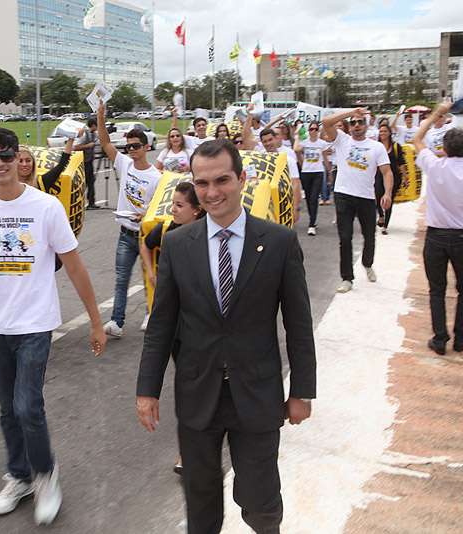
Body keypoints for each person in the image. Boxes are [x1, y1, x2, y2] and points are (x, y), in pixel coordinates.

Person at [136, 139, 316, 534]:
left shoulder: (280, 242)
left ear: (242, 179)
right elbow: (162, 323)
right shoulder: (179, 245)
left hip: (258, 392)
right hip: (198, 393)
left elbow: (299, 323)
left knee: (258, 498)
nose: (212, 192)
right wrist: (147, 388)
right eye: (202, 183)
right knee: (200, 499)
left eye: (222, 180)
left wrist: (301, 391)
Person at [0, 126, 105, 526]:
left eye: (6, 155)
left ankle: (46, 476)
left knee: (28, 406)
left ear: (18, 158)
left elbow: (75, 267)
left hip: (35, 324)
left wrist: (96, 322)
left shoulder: (46, 207)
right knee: (7, 410)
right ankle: (19, 475)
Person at [139, 181, 203, 473]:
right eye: (172, 204)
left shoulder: (208, 238)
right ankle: (187, 452)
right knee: (188, 387)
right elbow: (146, 243)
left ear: (197, 210)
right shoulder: (166, 231)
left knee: (199, 387)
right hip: (173, 325)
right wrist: (152, 271)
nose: (173, 210)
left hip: (201, 327)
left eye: (180, 205)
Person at [99, 100, 162, 337]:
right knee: (121, 280)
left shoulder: (156, 176)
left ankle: (151, 314)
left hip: (147, 236)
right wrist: (101, 116)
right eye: (128, 147)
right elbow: (105, 142)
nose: (131, 150)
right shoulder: (124, 164)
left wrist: (144, 214)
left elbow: (159, 208)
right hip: (125, 234)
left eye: (136, 146)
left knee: (150, 278)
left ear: (146, 147)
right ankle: (117, 322)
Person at [321, 107, 394, 293]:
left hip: (366, 197)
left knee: (369, 235)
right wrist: (351, 112)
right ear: (349, 126)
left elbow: (387, 172)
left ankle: (367, 264)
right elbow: (326, 121)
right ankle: (347, 278)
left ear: (367, 125)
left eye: (360, 122)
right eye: (353, 122)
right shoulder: (341, 140)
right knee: (345, 238)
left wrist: (387, 193)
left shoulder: (376, 147)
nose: (357, 125)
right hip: (344, 195)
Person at [412, 102, 463, 356]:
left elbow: (417, 138)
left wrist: (436, 114)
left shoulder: (434, 165)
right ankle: (461, 337)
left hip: (436, 236)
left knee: (437, 289)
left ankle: (440, 338)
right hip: (462, 237)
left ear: (444, 148)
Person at [241, 104, 302, 222]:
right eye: (264, 141)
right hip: (261, 204)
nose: (268, 143)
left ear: (276, 139)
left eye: (270, 140)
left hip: (281, 203)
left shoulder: (288, 159)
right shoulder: (259, 154)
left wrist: (296, 208)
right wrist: (249, 115)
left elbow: (295, 184)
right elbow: (246, 137)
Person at [293, 120, 330, 235]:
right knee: (309, 198)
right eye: (311, 129)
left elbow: (325, 159)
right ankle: (313, 217)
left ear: (318, 131)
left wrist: (329, 174)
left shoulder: (322, 143)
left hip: (318, 172)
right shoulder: (304, 143)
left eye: (315, 129)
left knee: (314, 198)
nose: (313, 131)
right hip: (306, 172)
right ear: (308, 131)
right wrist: (298, 135)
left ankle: (312, 224)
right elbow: (295, 149)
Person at [375, 123, 407, 235]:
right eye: (381, 131)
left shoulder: (396, 146)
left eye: (385, 131)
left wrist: (405, 178)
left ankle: (385, 226)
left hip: (394, 176)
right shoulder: (376, 145)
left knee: (389, 200)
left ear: (389, 133)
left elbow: (401, 163)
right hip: (378, 176)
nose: (382, 133)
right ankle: (381, 215)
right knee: (379, 197)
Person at [73, 118, 101, 209]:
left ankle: (91, 202)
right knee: (83, 183)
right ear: (93, 125)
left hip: (89, 160)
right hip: (83, 161)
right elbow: (75, 147)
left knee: (91, 181)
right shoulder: (84, 134)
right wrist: (87, 146)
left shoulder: (94, 134)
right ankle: (79, 202)